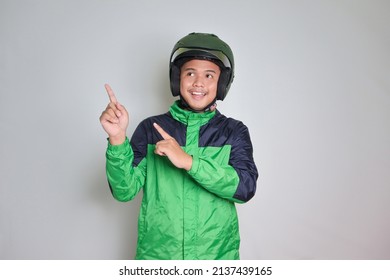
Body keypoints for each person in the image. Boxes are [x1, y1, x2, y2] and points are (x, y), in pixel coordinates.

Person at [99, 32, 258, 260]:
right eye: (190, 73)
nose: (198, 83)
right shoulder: (150, 129)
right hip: (158, 259)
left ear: (222, 83)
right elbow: (124, 191)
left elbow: (245, 188)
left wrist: (189, 162)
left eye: (209, 75)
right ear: (177, 78)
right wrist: (117, 140)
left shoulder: (233, 132)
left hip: (215, 258)